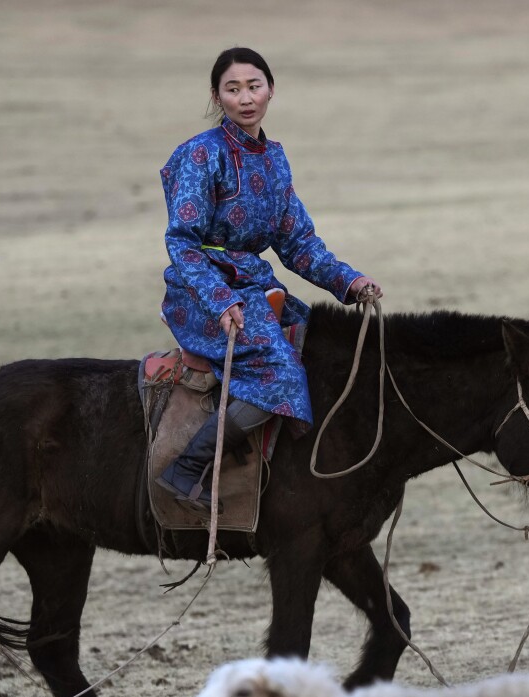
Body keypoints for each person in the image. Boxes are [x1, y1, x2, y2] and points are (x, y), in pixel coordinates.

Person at [156, 46, 381, 513]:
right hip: (202, 293)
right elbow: (183, 243)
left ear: (271, 90)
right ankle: (187, 470)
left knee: (322, 346)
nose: (245, 98)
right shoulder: (201, 155)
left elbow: (297, 243)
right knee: (279, 376)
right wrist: (220, 300)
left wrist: (350, 281)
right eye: (232, 88)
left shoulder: (274, 160)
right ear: (217, 96)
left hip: (253, 287)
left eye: (253, 86)